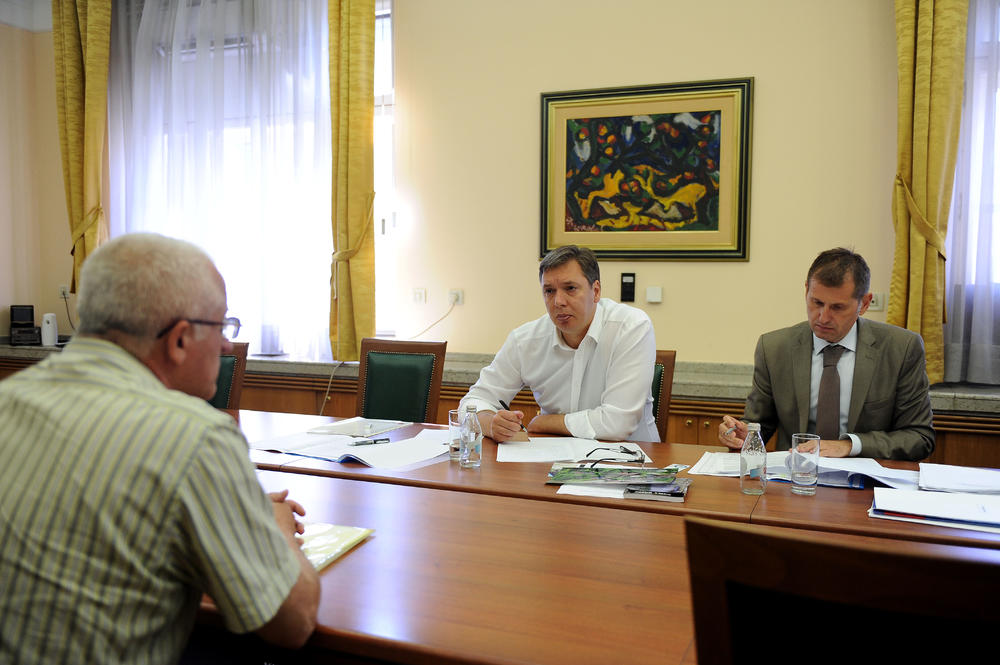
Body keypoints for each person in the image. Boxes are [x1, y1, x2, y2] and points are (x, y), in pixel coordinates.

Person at [0, 233, 319, 663]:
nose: (227, 345)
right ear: (180, 340)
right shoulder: (197, 436)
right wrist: (277, 529)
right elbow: (293, 623)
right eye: (222, 327)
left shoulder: (9, 398)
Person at [717, 247, 935, 461]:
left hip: (864, 477)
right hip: (794, 474)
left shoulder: (901, 348)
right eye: (817, 302)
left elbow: (919, 437)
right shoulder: (774, 348)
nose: (823, 317)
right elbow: (759, 426)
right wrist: (741, 435)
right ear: (806, 291)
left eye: (837, 307)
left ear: (864, 303)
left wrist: (850, 445)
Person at [460, 245, 658, 442]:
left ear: (596, 291)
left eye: (570, 288)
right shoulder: (526, 340)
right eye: (549, 291)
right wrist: (490, 422)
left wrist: (545, 422)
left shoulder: (630, 327)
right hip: (553, 456)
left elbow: (618, 423)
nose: (558, 301)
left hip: (629, 456)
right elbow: (472, 402)